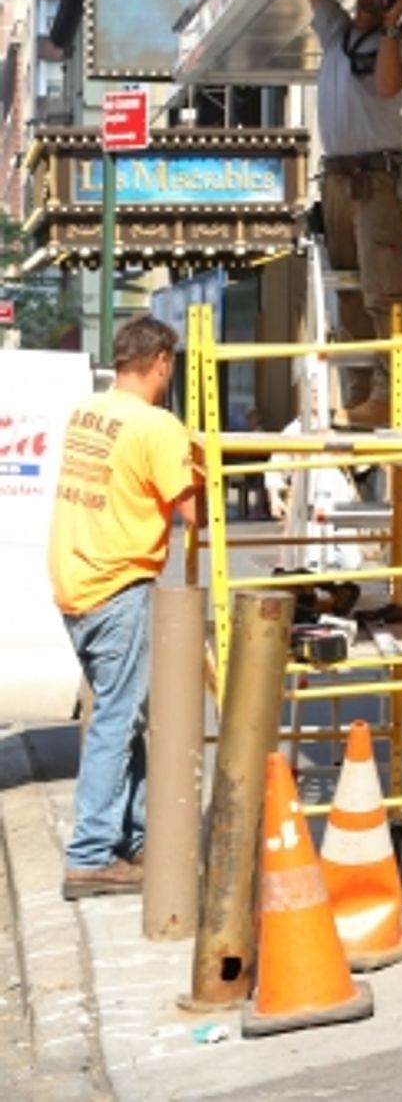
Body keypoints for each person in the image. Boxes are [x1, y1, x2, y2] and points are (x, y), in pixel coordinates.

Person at [47, 317, 202, 900]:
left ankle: (137, 840)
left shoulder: (89, 413)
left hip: (75, 581)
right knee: (117, 720)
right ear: (162, 360)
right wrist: (202, 469)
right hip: (118, 584)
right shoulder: (156, 426)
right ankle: (89, 856)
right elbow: (193, 515)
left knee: (126, 715)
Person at [302, 0, 402, 430]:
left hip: (375, 178)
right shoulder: (338, 34)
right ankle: (358, 396)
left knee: (385, 290)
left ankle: (392, 396)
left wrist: (393, 25)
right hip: (336, 177)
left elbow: (388, 86)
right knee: (350, 293)